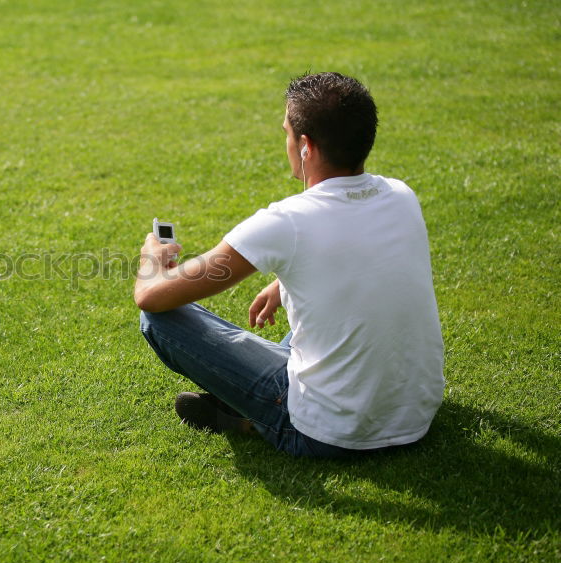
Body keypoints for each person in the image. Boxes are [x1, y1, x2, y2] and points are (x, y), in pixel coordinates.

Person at [135, 72, 444, 458]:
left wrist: (152, 258)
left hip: (329, 432)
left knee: (161, 320)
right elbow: (356, 258)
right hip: (415, 416)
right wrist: (283, 286)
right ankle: (241, 403)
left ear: (305, 147)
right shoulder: (400, 195)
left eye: (286, 133)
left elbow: (151, 297)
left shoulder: (286, 222)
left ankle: (252, 416)